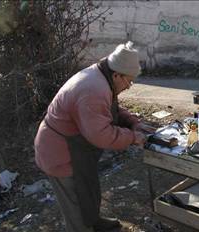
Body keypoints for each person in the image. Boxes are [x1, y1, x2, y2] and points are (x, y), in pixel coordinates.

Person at [34, 41, 153, 232]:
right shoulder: (94, 89)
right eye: (129, 81)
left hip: (76, 149)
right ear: (117, 75)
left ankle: (94, 221)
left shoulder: (102, 76)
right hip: (60, 152)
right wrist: (132, 137)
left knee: (88, 189)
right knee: (75, 203)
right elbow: (101, 135)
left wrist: (133, 122)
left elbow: (107, 109)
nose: (130, 86)